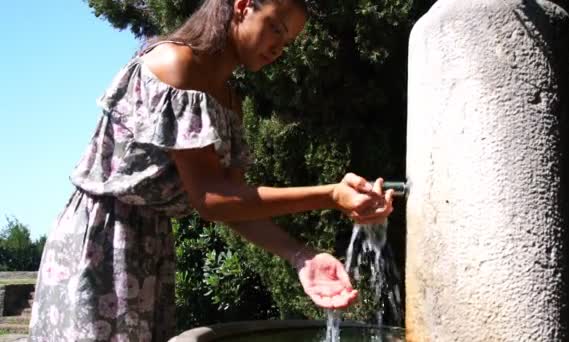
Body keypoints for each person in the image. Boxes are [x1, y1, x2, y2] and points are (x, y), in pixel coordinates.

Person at [28, 0, 394, 340]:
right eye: (277, 29)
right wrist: (330, 195)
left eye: (288, 41)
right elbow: (211, 199)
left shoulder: (229, 101)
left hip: (150, 243)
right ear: (243, 6)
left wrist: (302, 256)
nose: (279, 48)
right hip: (101, 239)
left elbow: (233, 207)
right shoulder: (176, 65)